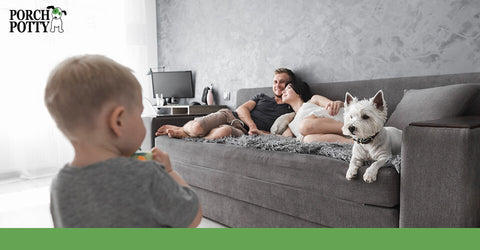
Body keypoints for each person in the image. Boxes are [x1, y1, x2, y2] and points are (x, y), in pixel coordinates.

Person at [44, 55, 202, 228]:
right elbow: (192, 217)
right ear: (118, 121)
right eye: (140, 114)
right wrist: (170, 172)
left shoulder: (60, 184)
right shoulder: (147, 175)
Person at [155, 68, 294, 139]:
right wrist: (253, 125)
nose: (277, 85)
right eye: (275, 81)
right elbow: (241, 109)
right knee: (197, 127)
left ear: (290, 84)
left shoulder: (290, 110)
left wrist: (261, 132)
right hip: (230, 116)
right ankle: (184, 129)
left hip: (244, 132)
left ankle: (184, 133)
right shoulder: (262, 96)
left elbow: (286, 137)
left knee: (224, 131)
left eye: (282, 82)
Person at [280, 81, 353, 144]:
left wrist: (339, 103)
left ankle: (353, 129)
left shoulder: (313, 100)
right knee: (307, 139)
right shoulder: (292, 124)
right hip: (338, 136)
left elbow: (333, 105)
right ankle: (354, 143)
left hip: (342, 121)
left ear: (299, 92)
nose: (283, 91)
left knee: (304, 125)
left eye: (288, 88)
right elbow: (282, 139)